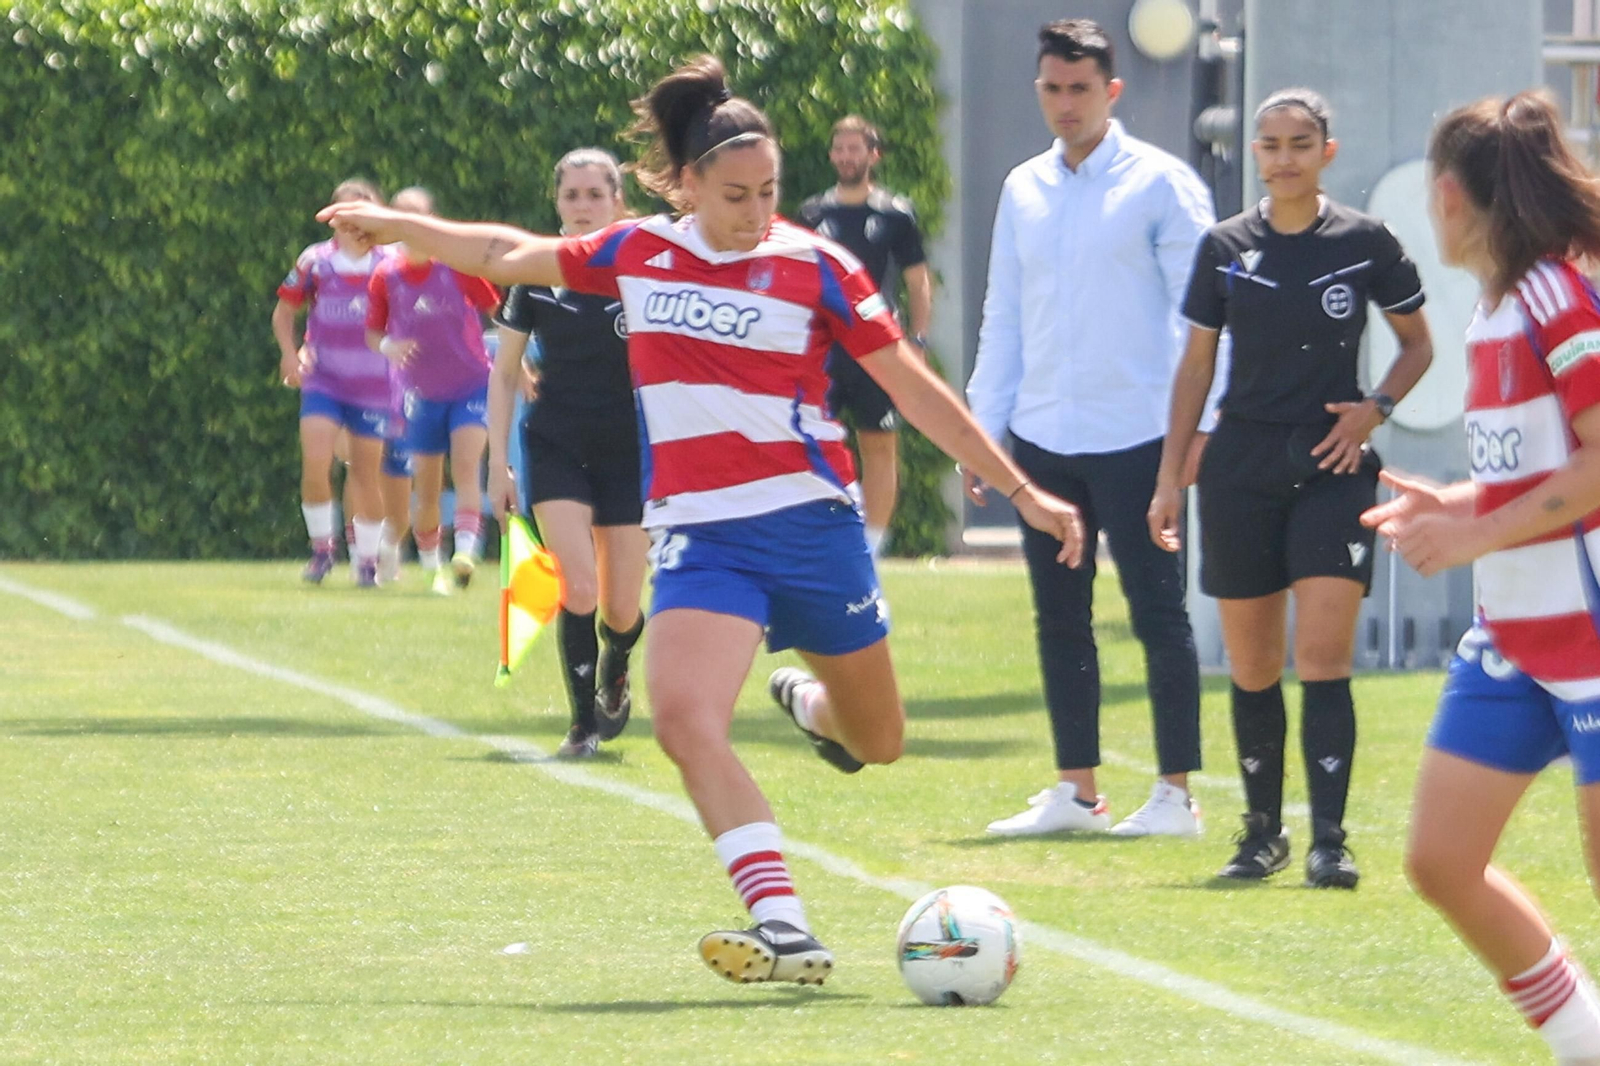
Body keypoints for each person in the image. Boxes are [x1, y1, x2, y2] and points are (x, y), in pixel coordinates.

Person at [319, 54, 1084, 987]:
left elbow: (912, 390)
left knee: (877, 742)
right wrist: (396, 225)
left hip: (811, 527)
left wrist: (1021, 490)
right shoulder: (637, 252)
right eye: (734, 195)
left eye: (768, 192)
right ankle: (785, 926)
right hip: (701, 536)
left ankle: (807, 699)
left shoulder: (820, 267)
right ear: (686, 184)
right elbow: (501, 253)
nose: (757, 211)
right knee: (683, 721)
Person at [1364, 89, 1600, 1059]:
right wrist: (1451, 507)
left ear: (1452, 194)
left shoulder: (1558, 296)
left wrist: (1470, 535)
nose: (1429, 210)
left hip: (1588, 646)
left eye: (1430, 193)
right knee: (1440, 862)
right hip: (1512, 641)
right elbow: (1537, 479)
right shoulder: (1500, 307)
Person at [1147, 89, 1433, 887]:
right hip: (1240, 467)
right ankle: (1262, 834)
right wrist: (1171, 478)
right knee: (1253, 665)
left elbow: (1417, 345)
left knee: (1323, 656)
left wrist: (1373, 413)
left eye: (1299, 143)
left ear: (1326, 152)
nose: (1283, 158)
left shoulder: (1366, 241)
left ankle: (1330, 841)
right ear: (1256, 154)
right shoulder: (1224, 247)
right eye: (1269, 144)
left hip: (1334, 468)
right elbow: (1196, 367)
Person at [967, 19, 1215, 838]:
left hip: (1141, 436)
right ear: (1037, 88)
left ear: (1112, 91)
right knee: (1059, 616)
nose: (1064, 103)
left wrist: (1194, 439)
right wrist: (984, 430)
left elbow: (1206, 324)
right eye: (1051, 87)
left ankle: (1175, 795)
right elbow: (1004, 313)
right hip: (1042, 436)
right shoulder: (1022, 187)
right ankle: (1077, 791)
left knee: (1157, 613)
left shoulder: (1163, 185)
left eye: (1080, 89)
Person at [489, 148, 650, 759]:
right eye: (571, 195)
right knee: (577, 587)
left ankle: (617, 661)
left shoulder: (639, 272)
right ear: (557, 203)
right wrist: (497, 465)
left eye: (594, 195)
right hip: (556, 441)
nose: (582, 206)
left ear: (617, 202)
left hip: (628, 448)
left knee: (621, 607)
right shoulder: (536, 271)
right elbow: (504, 374)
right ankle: (582, 726)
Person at [797, 116, 933, 558]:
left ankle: (872, 546)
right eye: (840, 148)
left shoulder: (895, 214)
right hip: (823, 347)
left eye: (855, 148)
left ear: (873, 155)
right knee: (813, 440)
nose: (846, 156)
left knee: (879, 441)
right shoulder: (813, 213)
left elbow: (917, 280)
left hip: (877, 346)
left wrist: (918, 341)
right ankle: (821, 535)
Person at [365, 186, 500, 593]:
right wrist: (389, 346)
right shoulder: (386, 276)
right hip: (421, 394)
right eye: (400, 218)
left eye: (416, 217)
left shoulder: (457, 267)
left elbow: (498, 309)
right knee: (426, 487)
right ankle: (432, 565)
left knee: (465, 465)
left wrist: (518, 361)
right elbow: (373, 333)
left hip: (472, 384)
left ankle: (465, 553)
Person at [272, 177, 398, 587]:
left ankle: (367, 561)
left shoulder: (390, 263)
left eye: (363, 209)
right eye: (345, 210)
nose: (354, 218)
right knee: (316, 460)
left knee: (365, 474)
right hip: (324, 380)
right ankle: (321, 550)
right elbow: (284, 312)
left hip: (375, 386)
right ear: (332, 218)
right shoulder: (315, 261)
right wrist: (291, 354)